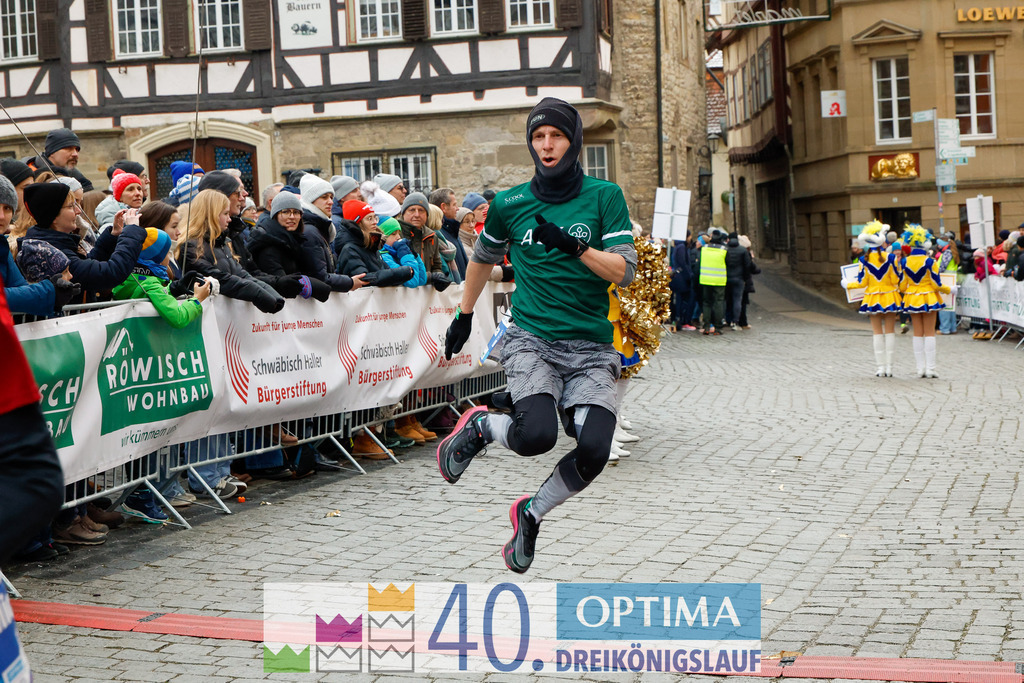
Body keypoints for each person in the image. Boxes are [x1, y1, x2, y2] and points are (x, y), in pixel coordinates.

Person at [437, 97, 637, 573]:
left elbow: (625, 271)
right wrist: (464, 316)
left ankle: (531, 512)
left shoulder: (604, 197)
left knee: (594, 451)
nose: (547, 146)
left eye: (557, 136)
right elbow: (482, 259)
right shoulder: (509, 204)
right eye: (538, 137)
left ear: (573, 142)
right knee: (536, 437)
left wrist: (576, 246)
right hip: (532, 338)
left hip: (590, 347)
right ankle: (484, 426)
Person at [19, 181, 146, 297]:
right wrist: (132, 231)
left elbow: (89, 264)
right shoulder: (47, 253)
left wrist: (113, 235)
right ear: (53, 215)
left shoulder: (53, 244)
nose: (78, 211)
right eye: (70, 206)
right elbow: (110, 273)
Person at [175, 189, 285, 313]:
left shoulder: (223, 242)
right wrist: (258, 294)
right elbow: (220, 279)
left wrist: (273, 296)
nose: (229, 219)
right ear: (211, 215)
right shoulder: (191, 246)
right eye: (225, 214)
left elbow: (241, 274)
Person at [247, 191, 332, 303]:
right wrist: (312, 285)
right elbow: (284, 284)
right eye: (286, 212)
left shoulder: (296, 240)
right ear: (275, 215)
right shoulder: (268, 245)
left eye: (296, 212)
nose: (292, 217)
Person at [842, 221, 902, 376]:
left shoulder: (864, 260)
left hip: (872, 298)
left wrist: (847, 285)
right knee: (890, 331)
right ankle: (889, 367)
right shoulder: (891, 258)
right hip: (890, 296)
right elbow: (896, 279)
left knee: (876, 332)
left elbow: (862, 282)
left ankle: (880, 367)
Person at [899, 225, 949, 378]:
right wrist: (950, 290)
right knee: (930, 333)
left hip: (912, 297)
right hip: (928, 297)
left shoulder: (904, 262)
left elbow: (902, 285)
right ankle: (931, 369)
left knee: (917, 333)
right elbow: (936, 284)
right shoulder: (930, 261)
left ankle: (920, 368)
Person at [396, 192, 448, 289]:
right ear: (403, 213)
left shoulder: (432, 236)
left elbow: (436, 265)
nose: (417, 215)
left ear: (427, 214)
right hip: (400, 294)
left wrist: (439, 277)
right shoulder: (395, 234)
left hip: (425, 298)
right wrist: (431, 277)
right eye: (412, 210)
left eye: (421, 210)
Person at [697, 229, 727, 335]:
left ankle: (706, 326)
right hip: (719, 280)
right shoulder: (724, 249)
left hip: (705, 279)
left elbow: (698, 263)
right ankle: (718, 328)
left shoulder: (704, 249)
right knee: (718, 302)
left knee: (707, 303)